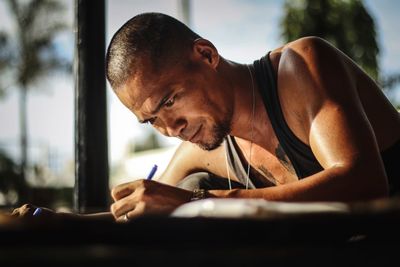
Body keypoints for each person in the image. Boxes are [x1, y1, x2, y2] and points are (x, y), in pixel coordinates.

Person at [12, 12, 400, 222]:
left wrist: (201, 200)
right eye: (151, 121)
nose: (171, 130)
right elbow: (143, 208)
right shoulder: (202, 146)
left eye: (168, 101)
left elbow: (364, 181)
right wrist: (60, 221)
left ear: (206, 55)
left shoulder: (301, 67)